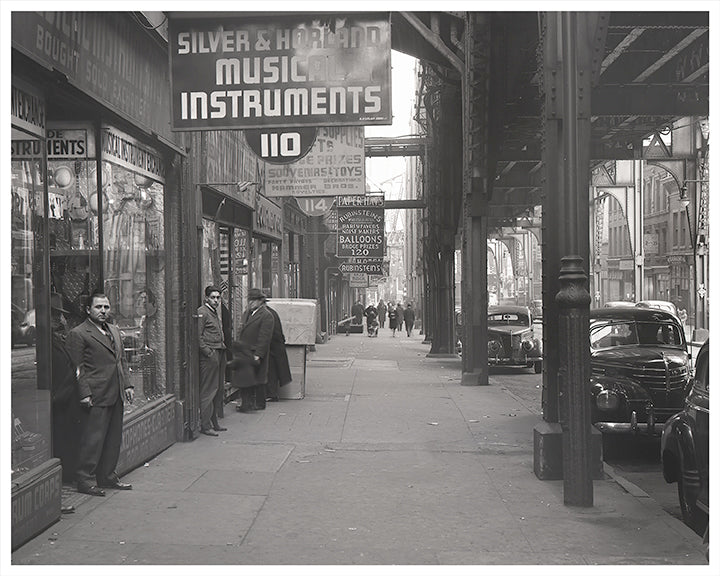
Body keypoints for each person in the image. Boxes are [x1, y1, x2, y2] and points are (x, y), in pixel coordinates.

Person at [66, 292, 134, 496]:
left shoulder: (113, 330)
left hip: (116, 392)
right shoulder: (79, 333)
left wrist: (128, 385)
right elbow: (77, 368)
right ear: (88, 310)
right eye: (98, 307)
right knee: (92, 439)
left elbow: (121, 360)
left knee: (113, 438)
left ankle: (108, 477)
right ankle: (85, 480)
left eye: (106, 307)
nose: (103, 311)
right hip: (96, 394)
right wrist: (84, 393)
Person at [50, 293, 81, 512]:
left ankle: (66, 477)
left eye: (60, 315)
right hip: (57, 400)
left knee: (66, 439)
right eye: (57, 315)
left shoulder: (56, 337)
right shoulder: (46, 340)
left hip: (65, 399)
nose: (60, 320)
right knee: (59, 441)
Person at [236, 288, 274, 412]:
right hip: (245, 351)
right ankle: (247, 404)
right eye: (249, 300)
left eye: (253, 300)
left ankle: (258, 403)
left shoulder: (266, 315)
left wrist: (258, 354)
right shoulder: (248, 313)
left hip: (254, 352)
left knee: (258, 378)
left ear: (260, 301)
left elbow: (264, 337)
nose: (250, 302)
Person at [197, 285, 226, 436]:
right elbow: (197, 336)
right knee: (209, 390)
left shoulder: (213, 312)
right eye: (213, 297)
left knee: (217, 389)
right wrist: (208, 352)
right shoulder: (202, 312)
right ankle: (205, 425)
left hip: (218, 352)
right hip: (210, 355)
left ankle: (214, 422)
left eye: (218, 297)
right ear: (206, 298)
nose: (216, 300)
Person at [265, 304, 292, 402]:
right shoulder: (271, 312)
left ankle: (271, 394)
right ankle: (271, 393)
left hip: (273, 347)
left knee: (271, 371)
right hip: (275, 347)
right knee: (273, 370)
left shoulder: (268, 314)